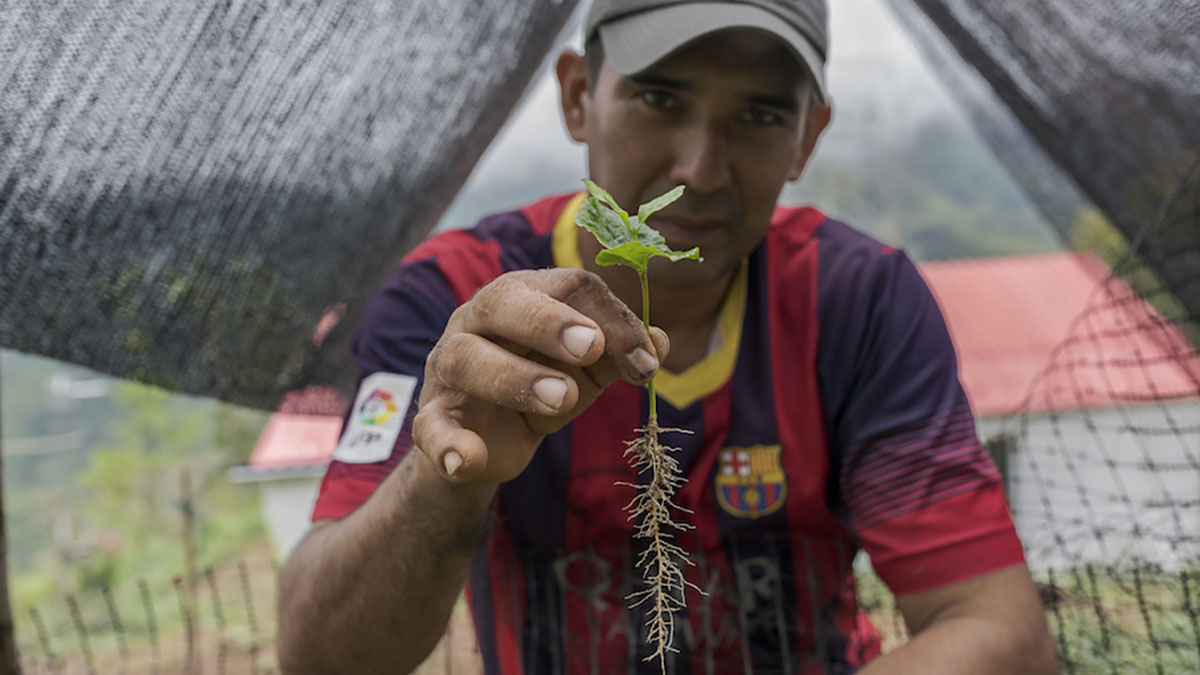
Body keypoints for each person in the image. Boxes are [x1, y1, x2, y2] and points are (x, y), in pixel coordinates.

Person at [276, 0, 1057, 672]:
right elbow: (317, 654)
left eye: (759, 114)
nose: (700, 168)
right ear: (579, 96)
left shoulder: (858, 303)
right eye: (659, 98)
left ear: (807, 139)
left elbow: (999, 631)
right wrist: (443, 476)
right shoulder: (450, 303)